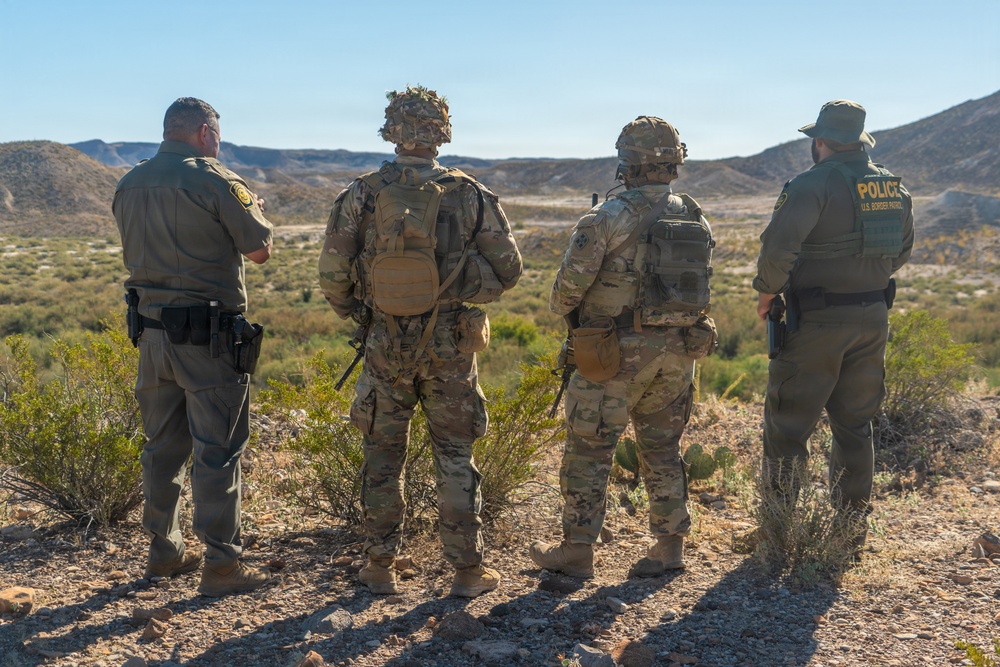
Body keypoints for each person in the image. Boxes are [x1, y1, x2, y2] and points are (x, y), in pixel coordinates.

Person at [319, 85, 523, 597]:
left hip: (383, 342)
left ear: (392, 130)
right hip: (451, 346)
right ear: (440, 133)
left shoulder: (362, 192)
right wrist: (460, 286)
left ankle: (380, 566)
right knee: (455, 453)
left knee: (382, 454)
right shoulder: (469, 193)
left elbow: (332, 274)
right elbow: (510, 269)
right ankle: (467, 572)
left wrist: (363, 313)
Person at [530, 116, 718, 579]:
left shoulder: (606, 218)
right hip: (677, 356)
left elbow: (563, 296)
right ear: (674, 162)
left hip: (613, 357)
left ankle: (577, 553)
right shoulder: (694, 215)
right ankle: (669, 547)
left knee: (589, 452)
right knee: (663, 450)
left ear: (627, 164)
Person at [113, 97, 275, 596]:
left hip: (152, 337)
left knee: (161, 450)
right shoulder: (214, 180)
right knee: (218, 451)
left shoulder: (129, 182)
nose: (219, 144)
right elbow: (259, 250)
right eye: (218, 137)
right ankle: (222, 566)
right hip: (207, 340)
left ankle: (164, 553)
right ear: (205, 133)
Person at [753, 99, 914, 553]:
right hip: (872, 318)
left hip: (817, 322)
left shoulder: (810, 185)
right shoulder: (892, 189)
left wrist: (768, 294)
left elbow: (778, 250)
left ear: (819, 141)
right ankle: (849, 531)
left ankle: (778, 531)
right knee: (855, 426)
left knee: (787, 427)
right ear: (861, 140)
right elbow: (900, 253)